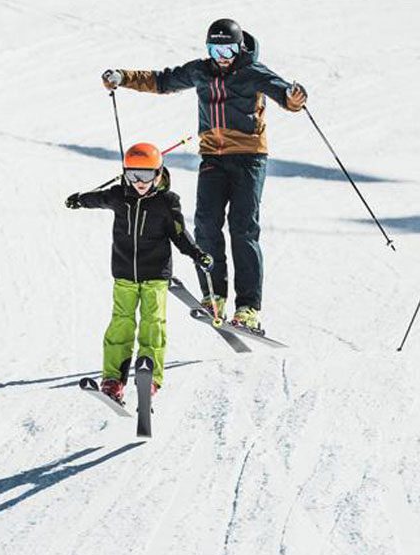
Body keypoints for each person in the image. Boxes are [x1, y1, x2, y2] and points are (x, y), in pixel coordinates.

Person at [99, 18, 307, 333]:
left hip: (249, 158)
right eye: (215, 48)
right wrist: (124, 77)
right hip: (212, 158)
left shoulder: (253, 73)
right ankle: (214, 295)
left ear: (239, 47)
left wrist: (294, 97)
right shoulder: (201, 70)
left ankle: (249, 307)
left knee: (243, 229)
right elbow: (163, 81)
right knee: (206, 224)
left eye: (228, 48)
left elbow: (286, 98)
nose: (221, 55)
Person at [65, 143, 212, 403]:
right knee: (120, 324)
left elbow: (180, 235)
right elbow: (97, 199)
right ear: (125, 174)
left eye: (145, 176)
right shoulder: (118, 195)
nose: (139, 182)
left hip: (155, 275)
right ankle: (113, 380)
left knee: (152, 324)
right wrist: (79, 199)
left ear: (158, 174)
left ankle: (151, 378)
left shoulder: (167, 202)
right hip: (124, 274)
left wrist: (197, 254)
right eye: (133, 175)